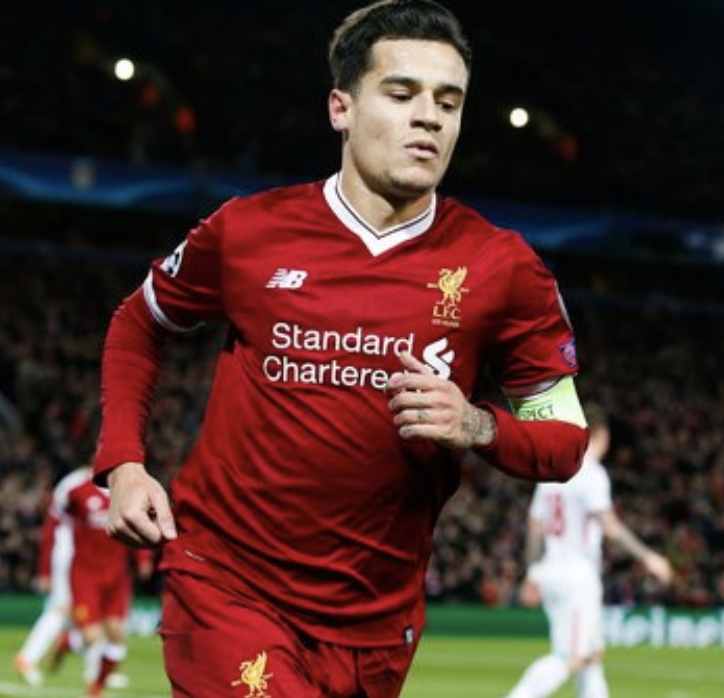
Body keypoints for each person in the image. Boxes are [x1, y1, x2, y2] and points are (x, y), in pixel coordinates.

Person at [95, 2, 590, 696]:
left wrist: (477, 425)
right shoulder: (249, 231)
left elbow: (565, 440)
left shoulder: (504, 268)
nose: (429, 117)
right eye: (402, 94)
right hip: (226, 584)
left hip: (377, 626)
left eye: (448, 102)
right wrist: (122, 463)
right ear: (341, 108)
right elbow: (139, 322)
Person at [503, 402, 673, 698]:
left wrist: (533, 572)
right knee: (571, 656)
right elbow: (610, 527)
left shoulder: (554, 472)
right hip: (577, 577)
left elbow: (535, 525)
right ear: (602, 435)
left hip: (553, 572)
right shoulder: (591, 473)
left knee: (592, 656)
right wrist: (648, 557)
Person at [48, 465, 153, 698]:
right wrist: (48, 566)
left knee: (116, 634)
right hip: (85, 575)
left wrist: (143, 558)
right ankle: (67, 642)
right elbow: (57, 519)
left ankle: (97, 686)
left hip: (117, 577)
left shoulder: (127, 492)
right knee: (91, 636)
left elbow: (138, 524)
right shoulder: (78, 491)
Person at [13, 506, 75, 687]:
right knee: (59, 611)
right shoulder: (70, 494)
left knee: (77, 613)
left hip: (82, 559)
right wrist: (45, 571)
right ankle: (27, 658)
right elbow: (49, 533)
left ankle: (100, 668)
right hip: (69, 558)